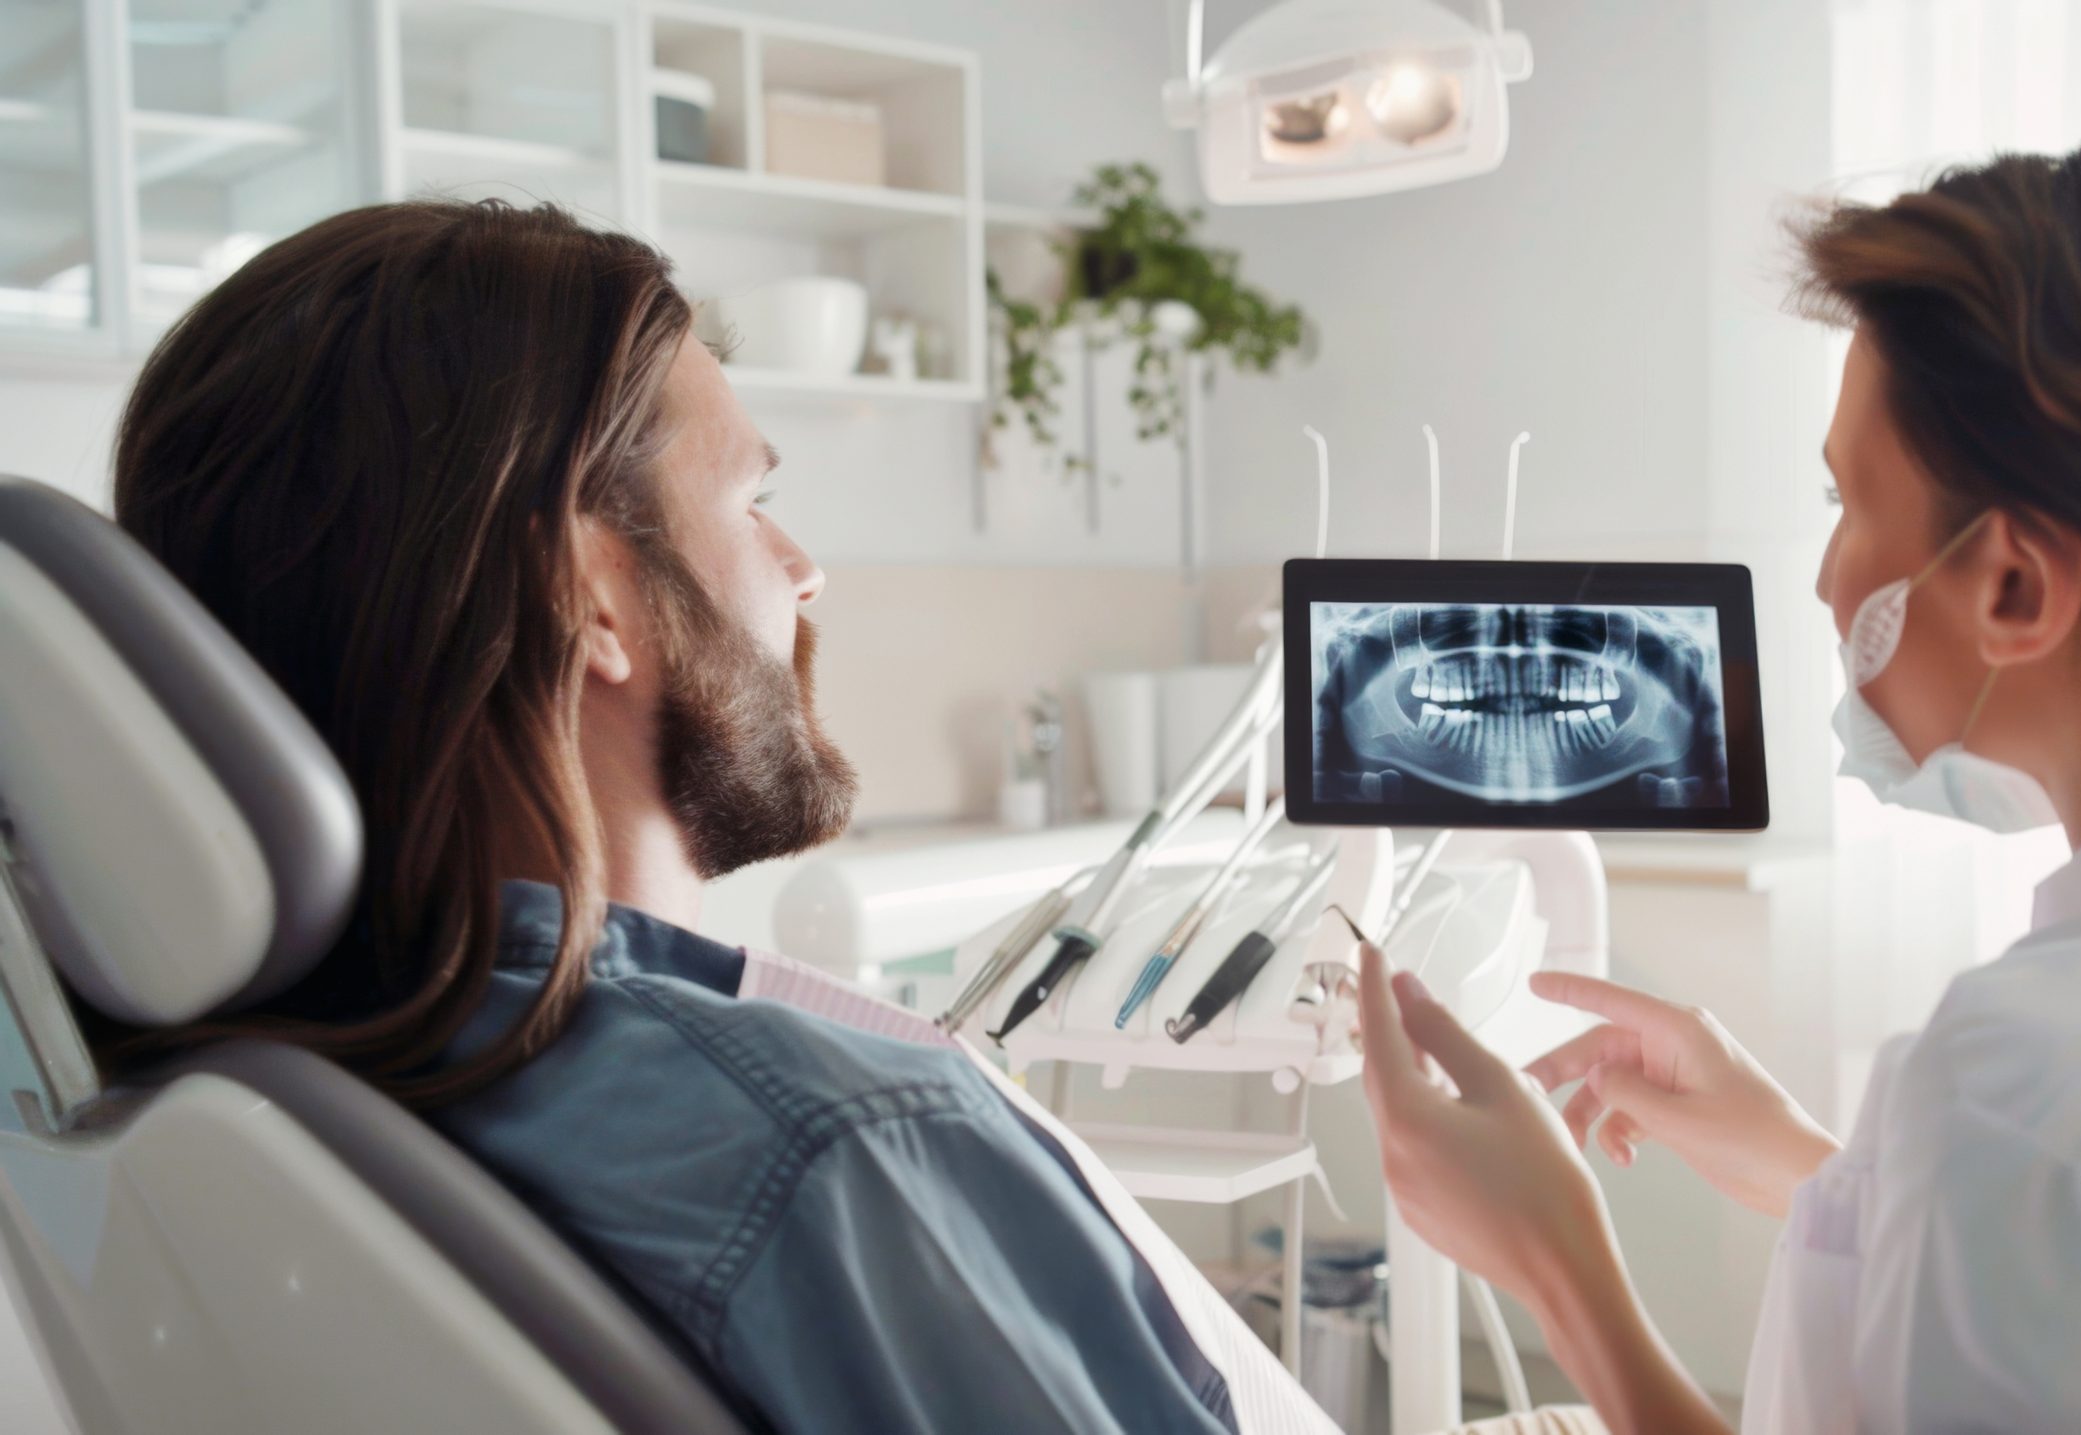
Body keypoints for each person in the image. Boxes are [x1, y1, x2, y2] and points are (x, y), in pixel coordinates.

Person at [1358, 141, 2081, 1434]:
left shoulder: (2025, 1095)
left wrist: (1559, 1268)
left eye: (1845, 498)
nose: (1824, 577)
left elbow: (2078, 1194)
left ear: (2015, 586)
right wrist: (1824, 1174)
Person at [100, 199, 1330, 1434]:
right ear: (583, 592)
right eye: (751, 501)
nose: (802, 569)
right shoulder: (839, 1149)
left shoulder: (258, 1082)